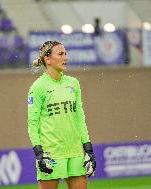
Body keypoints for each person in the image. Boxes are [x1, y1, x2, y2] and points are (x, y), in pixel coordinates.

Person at [27, 40, 97, 189]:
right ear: (47, 59)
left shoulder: (74, 83)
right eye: (60, 54)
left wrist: (88, 150)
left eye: (65, 53)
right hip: (51, 154)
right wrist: (39, 154)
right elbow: (32, 123)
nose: (65, 58)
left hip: (76, 152)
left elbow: (80, 118)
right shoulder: (38, 87)